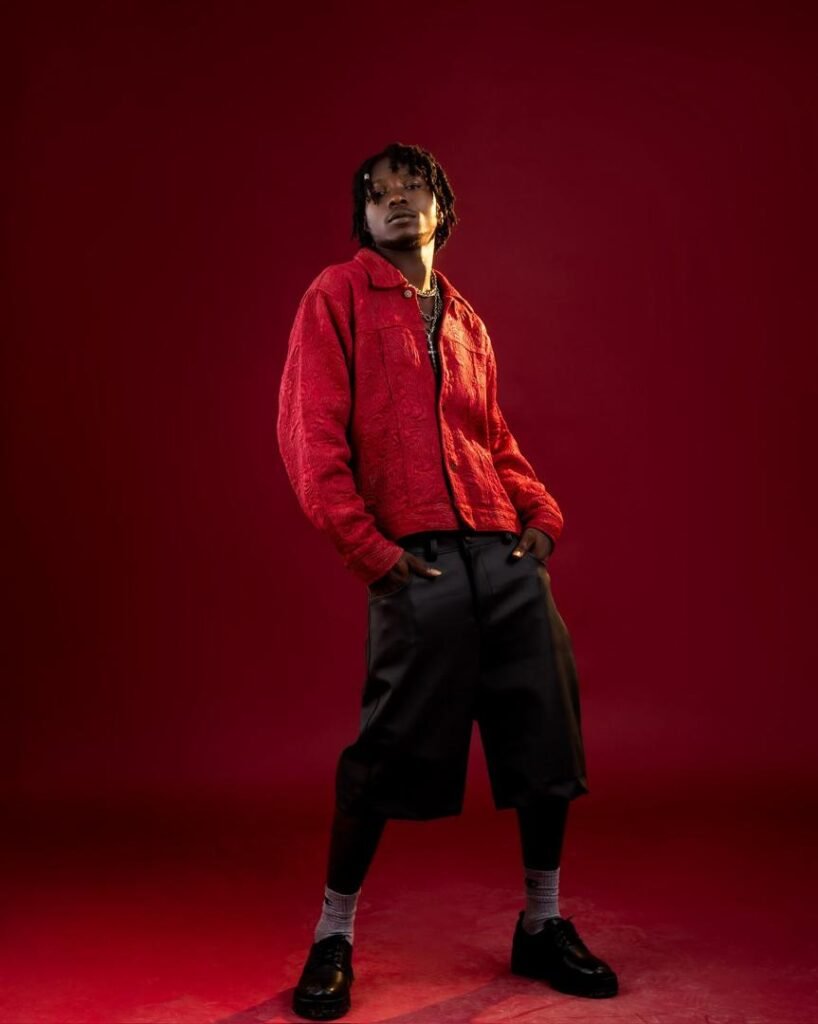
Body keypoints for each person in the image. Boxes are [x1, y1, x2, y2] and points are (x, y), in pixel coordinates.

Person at [276, 141, 618, 1020]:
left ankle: (541, 923)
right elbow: (311, 438)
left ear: (441, 207)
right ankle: (332, 935)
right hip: (415, 558)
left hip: (502, 555)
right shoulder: (336, 296)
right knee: (385, 753)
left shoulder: (465, 318)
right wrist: (371, 551)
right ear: (363, 217)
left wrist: (541, 516)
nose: (397, 200)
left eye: (413, 187)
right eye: (379, 193)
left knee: (546, 738)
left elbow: (491, 436)